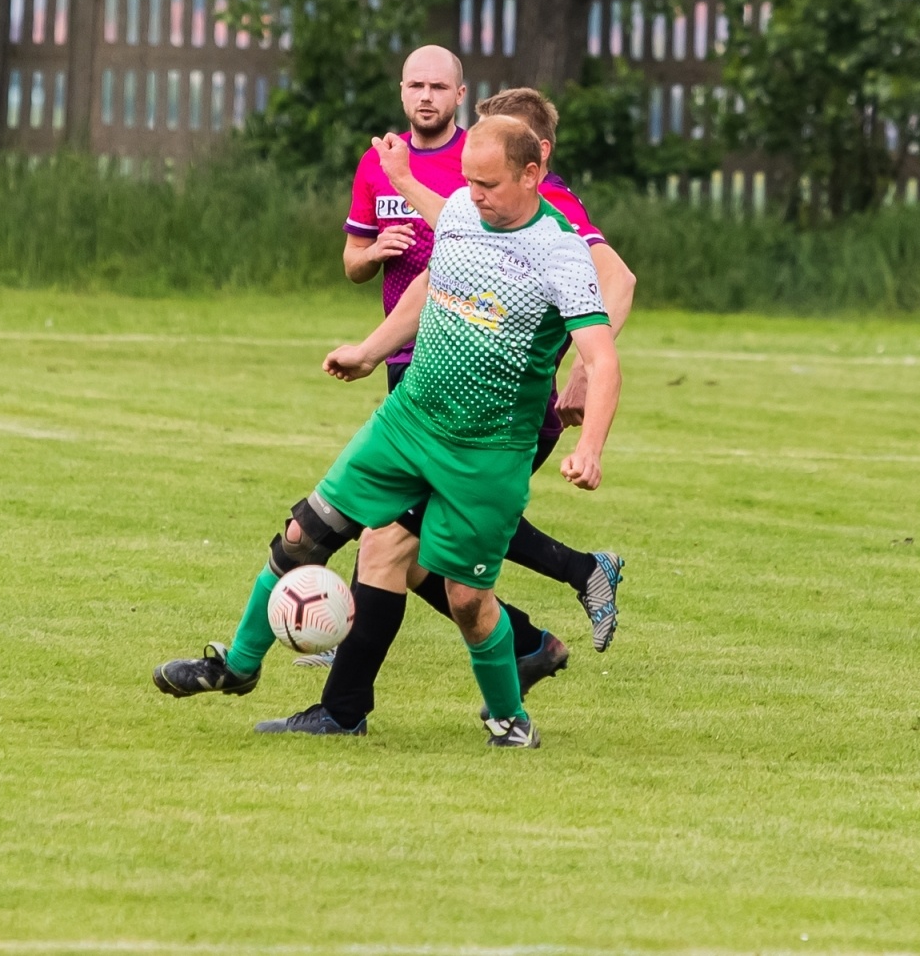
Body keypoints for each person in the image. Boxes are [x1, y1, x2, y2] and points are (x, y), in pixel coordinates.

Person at [153, 116, 624, 749]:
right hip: (406, 424)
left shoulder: (561, 252)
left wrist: (589, 447)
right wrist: (372, 351)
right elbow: (440, 266)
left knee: (465, 599)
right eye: (468, 181)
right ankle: (236, 666)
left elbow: (602, 357)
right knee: (304, 534)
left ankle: (509, 720)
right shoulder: (460, 210)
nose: (474, 194)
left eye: (488, 184)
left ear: (533, 173)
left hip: (485, 455)